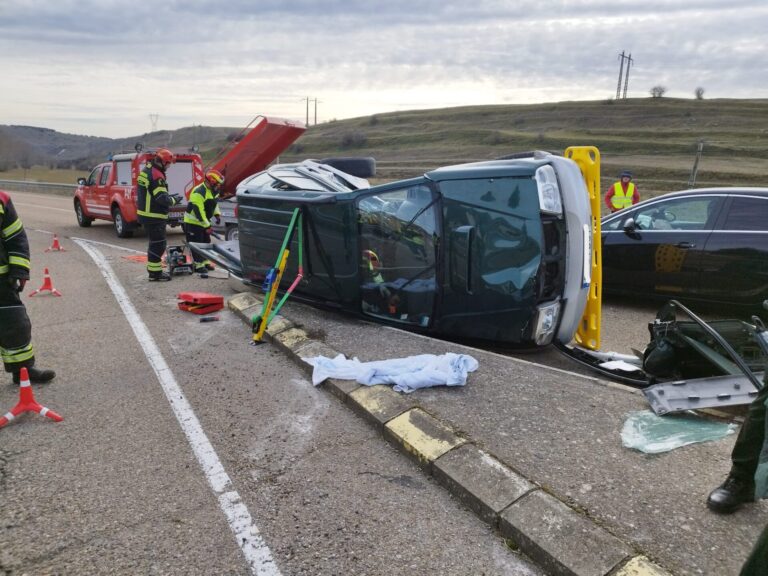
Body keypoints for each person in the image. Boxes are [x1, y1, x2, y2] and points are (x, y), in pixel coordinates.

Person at [0, 190, 55, 385]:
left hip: (2, 281)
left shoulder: (2, 199)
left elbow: (15, 237)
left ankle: (23, 371)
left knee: (15, 324)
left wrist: (20, 271)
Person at [136, 148, 182, 281]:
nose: (168, 167)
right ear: (162, 162)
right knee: (158, 244)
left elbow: (154, 193)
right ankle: (155, 274)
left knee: (155, 243)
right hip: (154, 215)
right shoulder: (157, 175)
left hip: (147, 214)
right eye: (168, 164)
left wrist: (169, 196)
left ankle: (153, 271)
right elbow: (162, 199)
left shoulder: (148, 170)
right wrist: (174, 200)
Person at [183, 169, 224, 278]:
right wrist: (207, 226)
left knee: (206, 241)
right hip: (193, 222)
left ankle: (205, 262)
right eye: (217, 183)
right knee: (197, 244)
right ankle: (198, 265)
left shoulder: (214, 190)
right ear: (211, 181)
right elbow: (199, 212)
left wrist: (217, 214)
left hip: (203, 221)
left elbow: (214, 204)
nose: (219, 186)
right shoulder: (198, 192)